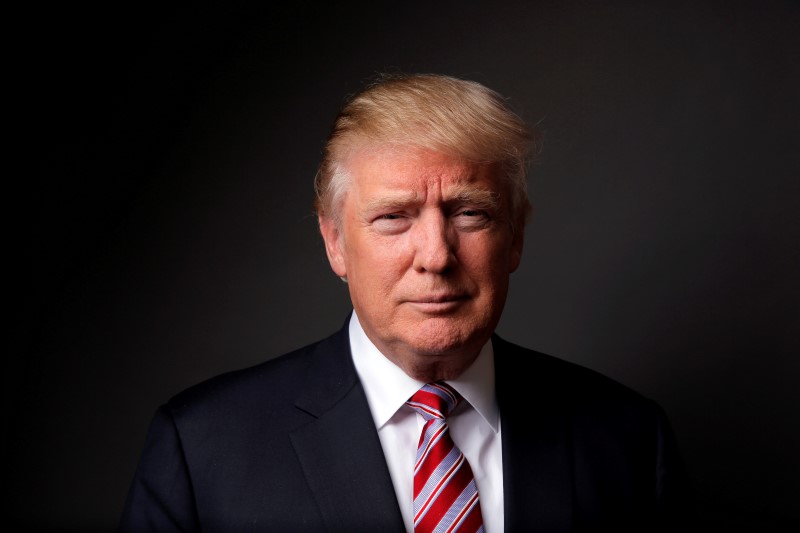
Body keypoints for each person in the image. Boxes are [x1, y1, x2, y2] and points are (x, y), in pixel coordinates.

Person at [120, 73, 694, 532]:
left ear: (515, 237)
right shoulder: (201, 448)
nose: (436, 256)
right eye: (393, 218)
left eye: (471, 213)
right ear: (335, 242)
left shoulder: (628, 439)